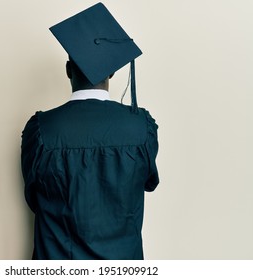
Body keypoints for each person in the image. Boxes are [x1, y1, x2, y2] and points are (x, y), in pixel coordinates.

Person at [21, 2, 159, 260]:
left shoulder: (40, 130)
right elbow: (147, 182)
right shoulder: (142, 126)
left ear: (67, 70)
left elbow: (33, 198)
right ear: (112, 71)